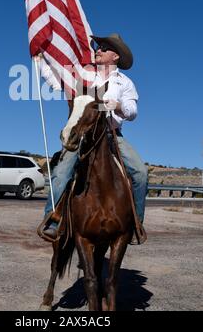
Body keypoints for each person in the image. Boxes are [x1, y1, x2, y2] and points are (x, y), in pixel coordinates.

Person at [39, 33, 148, 243]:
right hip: (82, 134)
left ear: (115, 56)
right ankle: (52, 221)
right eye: (98, 47)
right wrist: (42, 58)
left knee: (140, 173)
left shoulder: (124, 82)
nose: (97, 50)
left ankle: (136, 223)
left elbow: (132, 111)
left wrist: (116, 105)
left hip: (111, 134)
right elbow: (56, 79)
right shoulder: (85, 75)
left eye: (103, 48)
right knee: (61, 174)